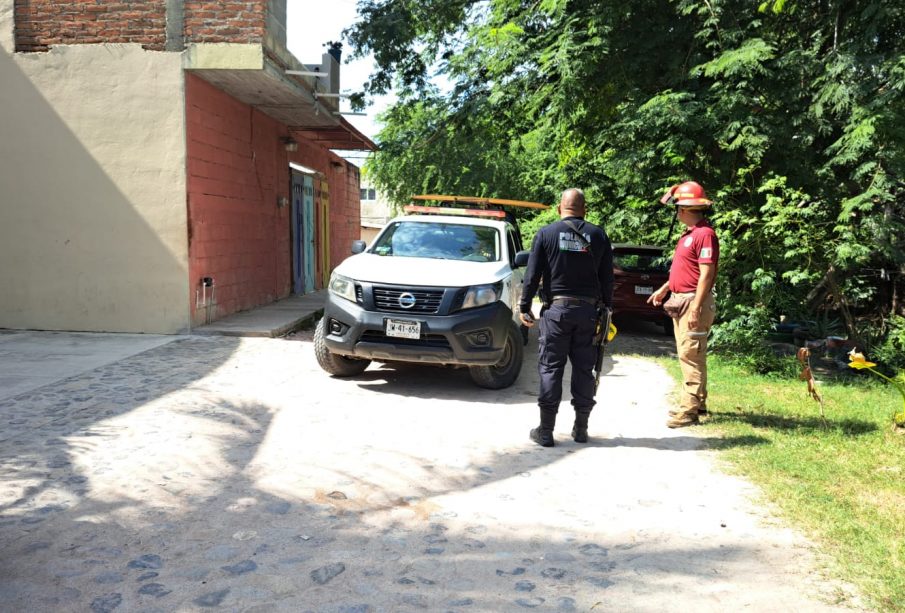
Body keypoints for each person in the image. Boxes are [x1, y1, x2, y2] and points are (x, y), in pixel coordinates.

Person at [519, 188, 614, 447]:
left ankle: (546, 431)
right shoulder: (598, 235)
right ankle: (581, 429)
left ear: (560, 208)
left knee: (551, 369)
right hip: (588, 314)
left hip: (556, 313)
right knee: (585, 369)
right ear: (585, 209)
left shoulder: (546, 233)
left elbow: (532, 275)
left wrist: (525, 306)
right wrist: (607, 311)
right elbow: (608, 279)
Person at [646, 181, 719, 428]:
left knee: (690, 356)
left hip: (692, 302)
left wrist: (697, 306)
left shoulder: (704, 234)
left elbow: (706, 273)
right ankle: (698, 404)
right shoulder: (690, 235)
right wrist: (665, 288)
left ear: (687, 209)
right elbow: (685, 270)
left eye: (677, 208)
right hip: (684, 299)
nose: (676, 212)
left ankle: (688, 411)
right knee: (692, 354)